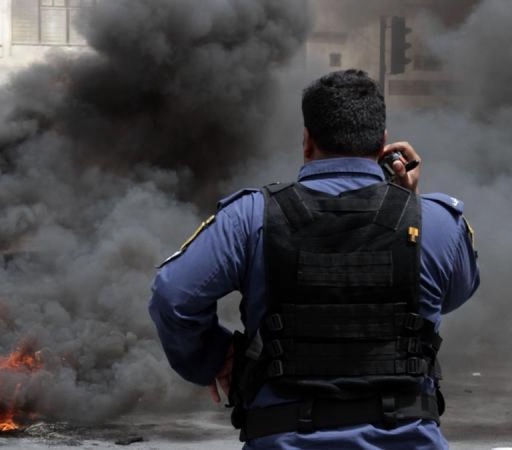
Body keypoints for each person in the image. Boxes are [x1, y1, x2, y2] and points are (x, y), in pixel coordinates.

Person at [149, 69, 479, 449]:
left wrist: (214, 356)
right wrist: (406, 204)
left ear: (307, 142)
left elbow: (172, 297)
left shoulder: (249, 218)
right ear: (384, 144)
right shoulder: (437, 223)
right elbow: (452, 293)